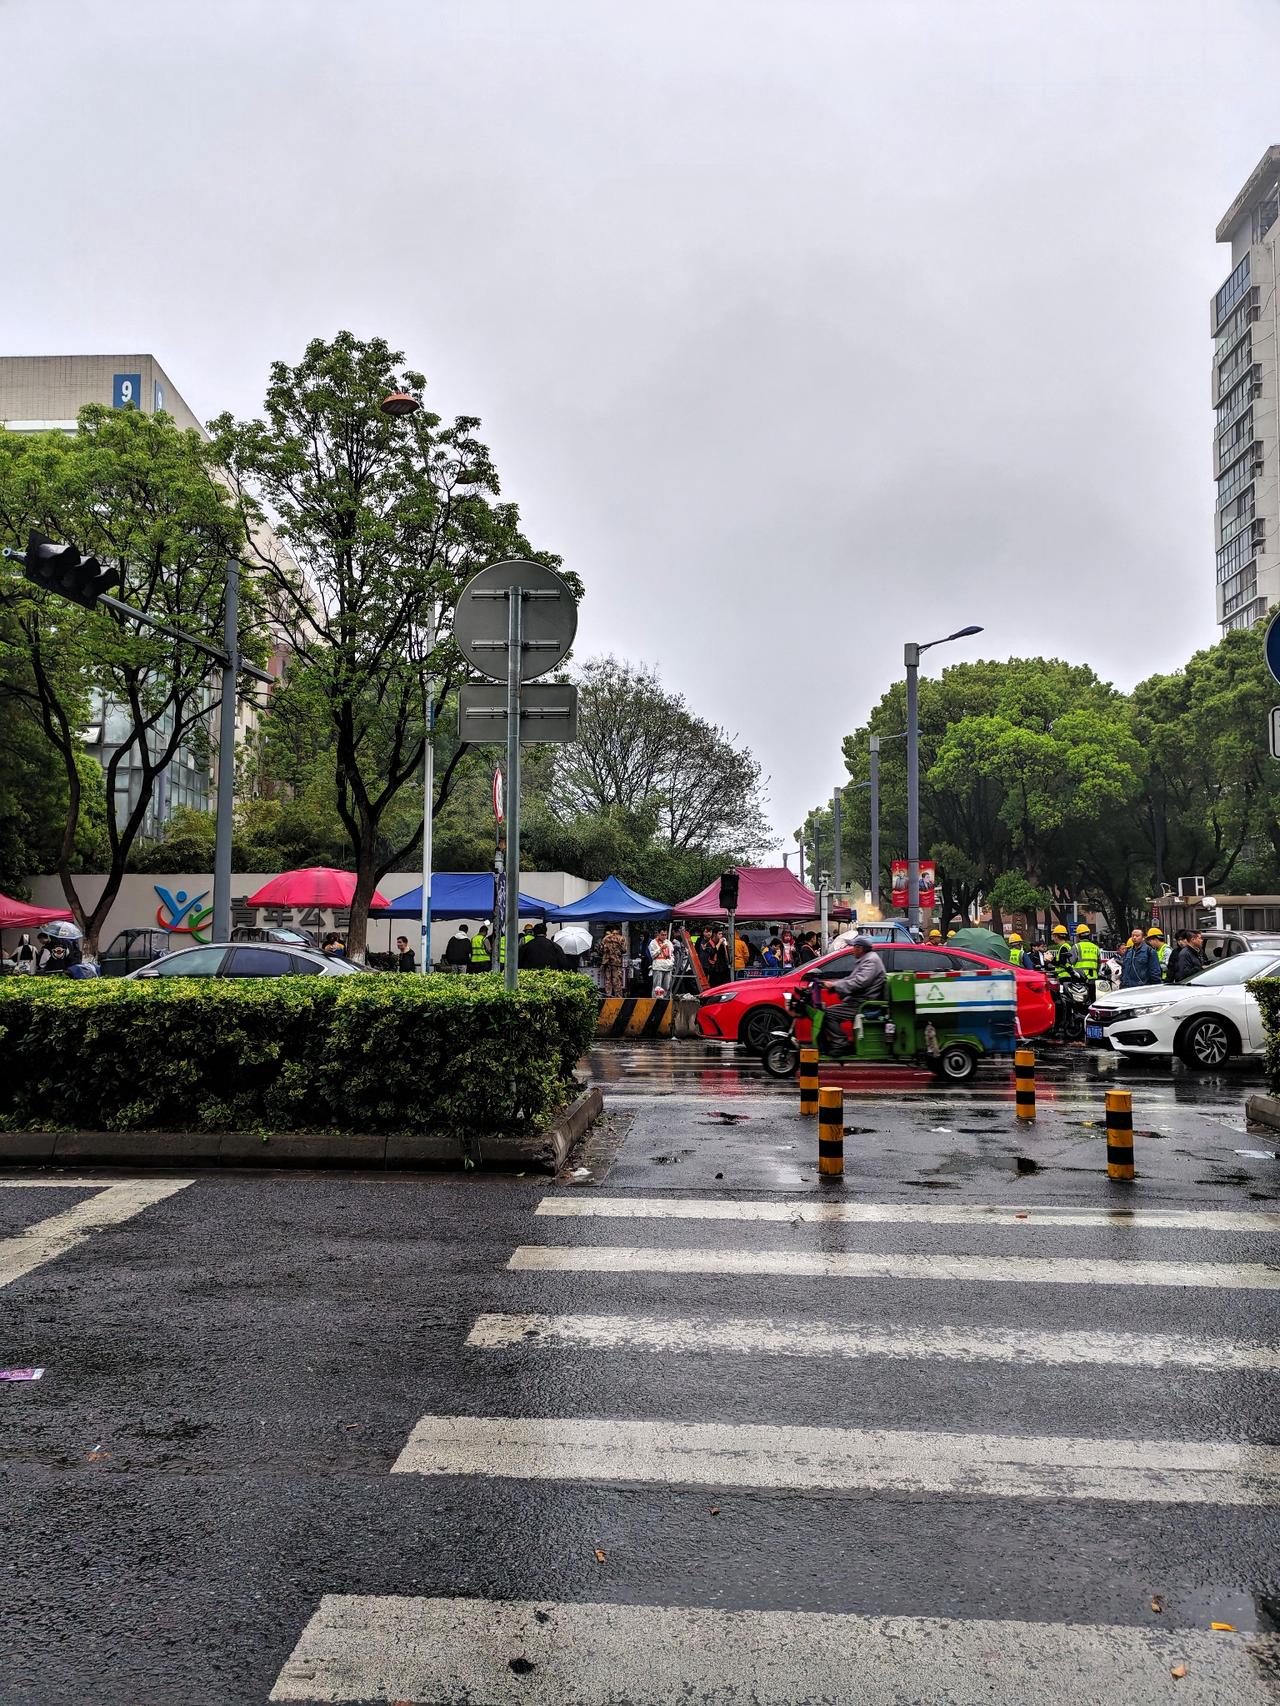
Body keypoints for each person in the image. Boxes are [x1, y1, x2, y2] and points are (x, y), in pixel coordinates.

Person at [819, 935, 887, 1057]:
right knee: (828, 1011)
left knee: (828, 1014)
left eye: (854, 947)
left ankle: (841, 1044)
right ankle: (841, 1042)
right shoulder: (866, 959)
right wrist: (835, 984)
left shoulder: (871, 961)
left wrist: (835, 985)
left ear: (860, 948)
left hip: (863, 1003)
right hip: (859, 1000)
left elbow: (859, 982)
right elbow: (851, 979)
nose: (852, 950)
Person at [600, 922, 628, 998]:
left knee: (608, 981)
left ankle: (608, 996)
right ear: (618, 930)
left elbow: (601, 950)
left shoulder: (605, 938)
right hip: (616, 963)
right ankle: (618, 998)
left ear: (612, 930)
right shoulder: (621, 938)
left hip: (607, 962)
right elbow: (624, 950)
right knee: (617, 981)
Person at [1072, 922, 1100, 999]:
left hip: (1080, 978)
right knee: (1092, 999)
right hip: (1093, 978)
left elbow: (1071, 962)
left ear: (1078, 936)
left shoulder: (1076, 947)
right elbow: (1099, 964)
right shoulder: (1096, 947)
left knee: (1080, 1000)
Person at [649, 928, 675, 995]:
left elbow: (672, 954)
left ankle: (665, 999)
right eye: (662, 935)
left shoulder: (668, 942)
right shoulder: (653, 942)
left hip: (668, 966)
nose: (664, 936)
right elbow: (653, 955)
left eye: (665, 935)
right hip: (658, 966)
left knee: (666, 986)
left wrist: (671, 961)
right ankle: (656, 1000)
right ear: (658, 934)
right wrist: (661, 949)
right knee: (657, 987)